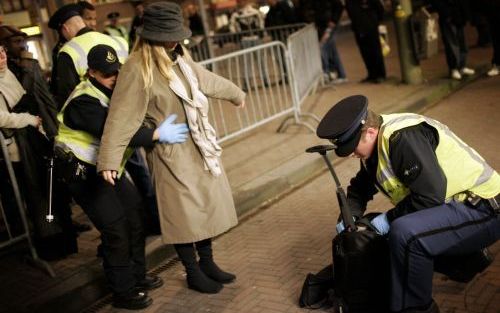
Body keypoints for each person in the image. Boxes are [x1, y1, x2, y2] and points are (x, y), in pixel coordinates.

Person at [97, 1, 246, 294]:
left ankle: (207, 263)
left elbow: (205, 79)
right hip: (170, 151)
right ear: (152, 34)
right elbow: (120, 117)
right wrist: (108, 161)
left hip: (197, 144)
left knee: (204, 207)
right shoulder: (137, 67)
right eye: (171, 34)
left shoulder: (179, 56)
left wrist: (235, 94)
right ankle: (193, 272)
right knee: (183, 214)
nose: (178, 39)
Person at [316, 95, 500, 313]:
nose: (352, 154)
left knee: (406, 233)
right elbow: (360, 187)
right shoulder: (376, 146)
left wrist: (389, 220)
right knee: (374, 226)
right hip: (458, 208)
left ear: (371, 132)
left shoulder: (402, 138)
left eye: (353, 147)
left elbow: (429, 197)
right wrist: (350, 216)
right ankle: (459, 262)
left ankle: (416, 308)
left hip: (485, 208)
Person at [54, 44, 187, 309]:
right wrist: (156, 135)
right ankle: (123, 292)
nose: (115, 78)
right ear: (91, 72)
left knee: (135, 218)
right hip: (84, 173)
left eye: (117, 72)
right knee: (116, 229)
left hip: (110, 169)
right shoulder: (83, 101)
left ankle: (138, 277)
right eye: (107, 74)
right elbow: (116, 132)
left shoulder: (115, 92)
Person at [48, 4, 128, 107]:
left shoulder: (68, 51)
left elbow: (69, 97)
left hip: (97, 114)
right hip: (130, 106)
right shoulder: (120, 41)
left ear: (65, 29)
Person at [428, 0, 475, 80]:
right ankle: (454, 68)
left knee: (461, 41)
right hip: (449, 13)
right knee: (451, 42)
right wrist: (445, 13)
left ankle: (461, 66)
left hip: (457, 13)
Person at [344, 0, 386, 83]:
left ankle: (380, 75)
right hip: (358, 28)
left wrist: (378, 22)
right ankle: (371, 74)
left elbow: (379, 8)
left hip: (371, 26)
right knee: (365, 52)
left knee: (375, 51)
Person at [310, 0, 347, 83]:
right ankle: (341, 74)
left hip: (330, 26)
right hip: (323, 26)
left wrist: (334, 20)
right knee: (332, 50)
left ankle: (326, 73)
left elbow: (339, 6)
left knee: (323, 47)